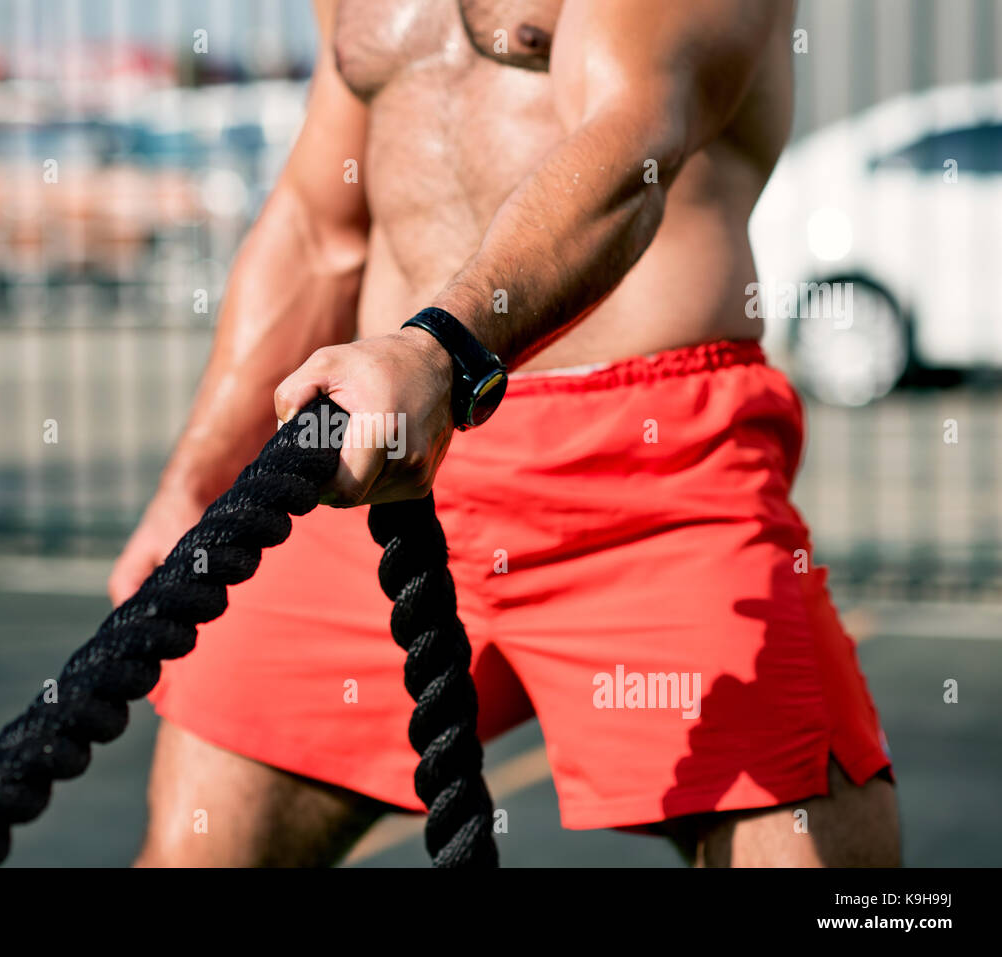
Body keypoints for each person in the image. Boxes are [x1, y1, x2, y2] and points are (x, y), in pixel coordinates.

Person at [109, 0, 900, 867]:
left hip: (650, 476)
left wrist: (443, 353)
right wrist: (189, 483)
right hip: (389, 459)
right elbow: (315, 227)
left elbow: (636, 139)